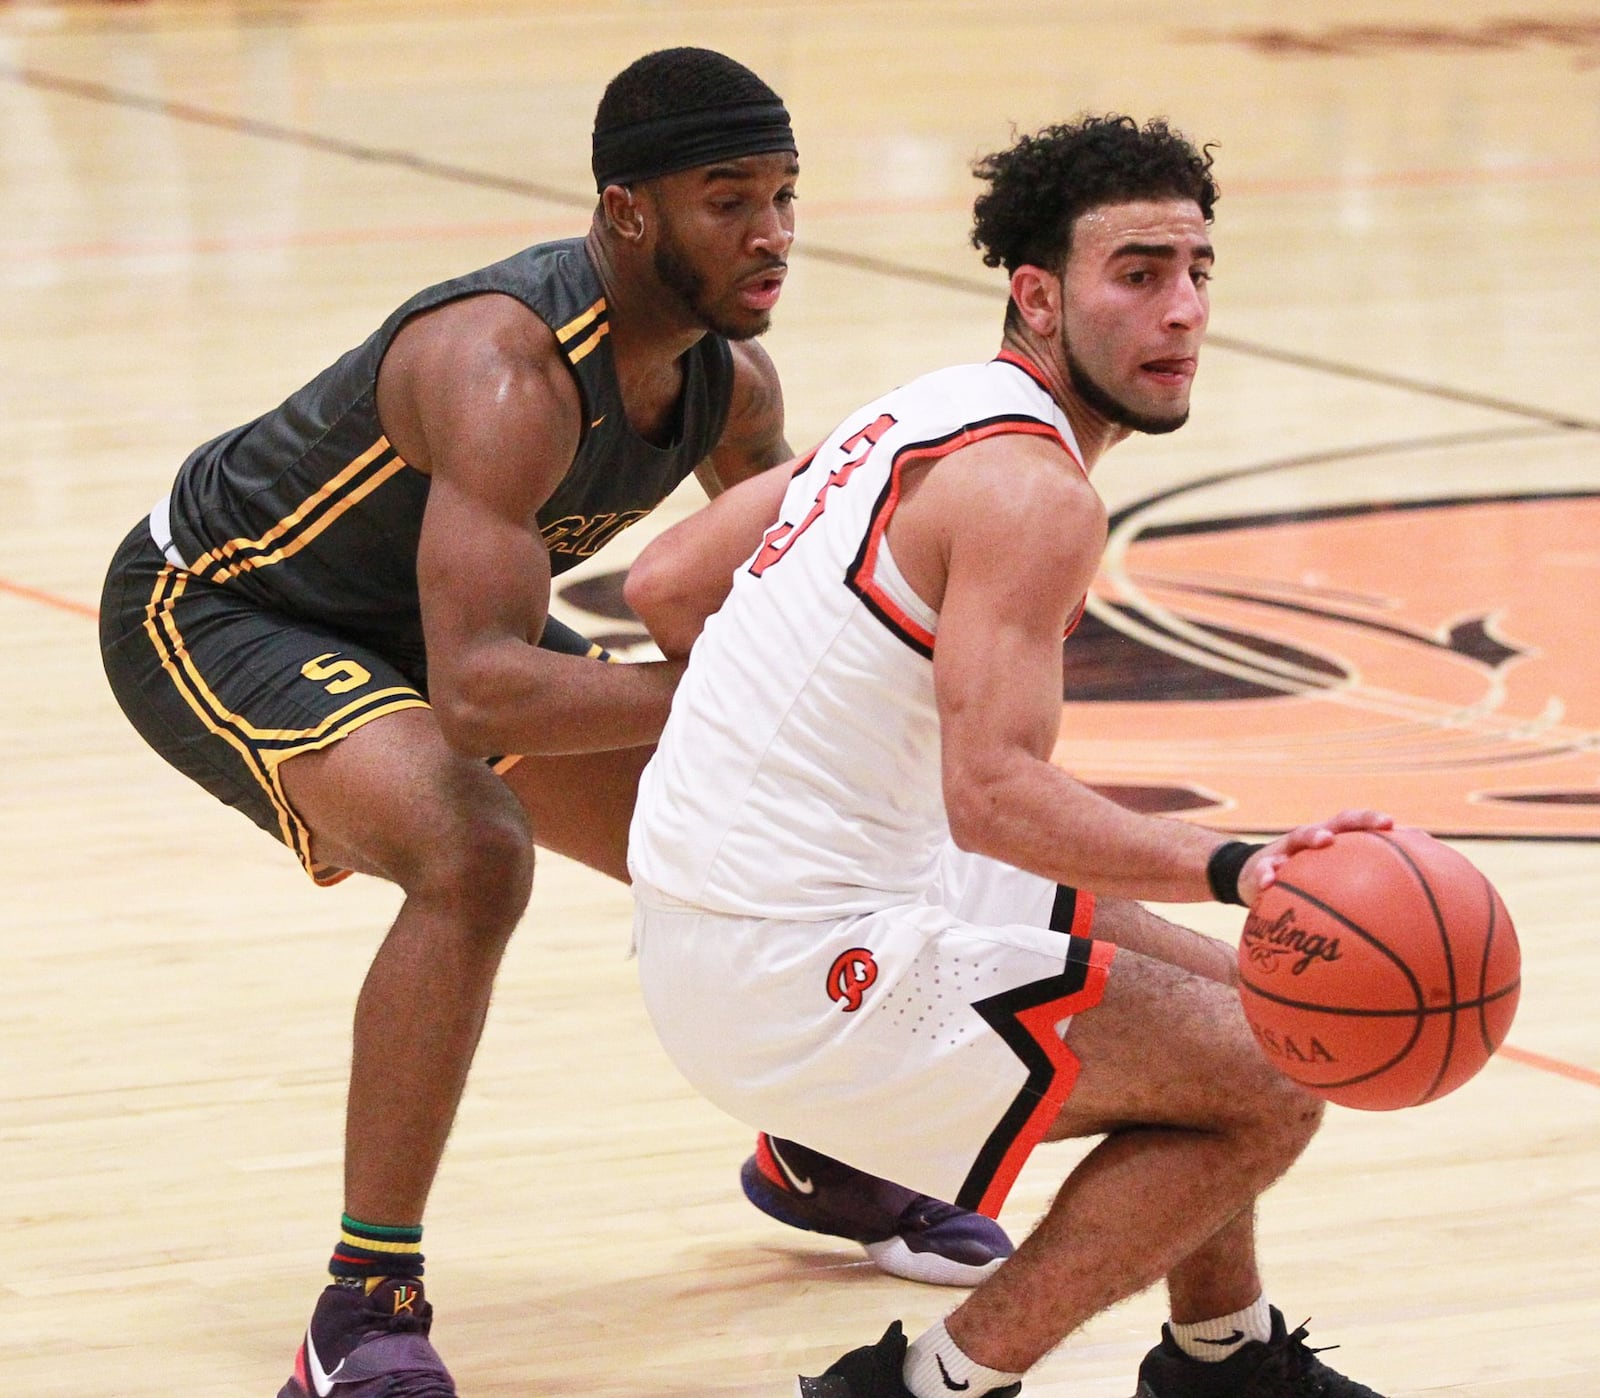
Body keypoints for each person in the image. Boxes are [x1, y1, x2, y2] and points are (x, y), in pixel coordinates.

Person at [98, 47, 1006, 1398]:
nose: (773, 234)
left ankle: (813, 1146)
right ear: (629, 210)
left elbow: (779, 591)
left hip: (441, 622)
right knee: (474, 852)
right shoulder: (504, 365)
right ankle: (362, 1304)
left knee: (748, 824)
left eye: (785, 196)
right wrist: (715, 700)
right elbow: (475, 697)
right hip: (231, 607)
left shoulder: (730, 382)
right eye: (729, 199)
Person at [623, 115, 1391, 1397]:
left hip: (731, 914)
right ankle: (937, 1386)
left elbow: (663, 583)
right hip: (795, 961)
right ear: (1038, 295)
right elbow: (992, 801)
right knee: (1268, 1078)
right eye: (1137, 275)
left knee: (1254, 1017)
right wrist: (1242, 863)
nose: (1183, 310)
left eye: (1197, 272)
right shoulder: (1035, 493)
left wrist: (791, 749)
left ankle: (1223, 1356)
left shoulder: (924, 409)